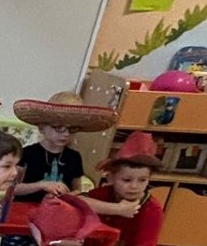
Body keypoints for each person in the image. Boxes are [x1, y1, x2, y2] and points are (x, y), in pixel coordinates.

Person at [62, 131, 166, 246]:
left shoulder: (152, 210)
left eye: (142, 180)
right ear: (111, 178)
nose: (134, 186)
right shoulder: (102, 194)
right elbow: (74, 201)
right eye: (126, 180)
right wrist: (117, 209)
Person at [8, 91, 134, 220]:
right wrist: (41, 185)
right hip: (24, 213)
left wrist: (67, 196)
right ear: (42, 128)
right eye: (58, 127)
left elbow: (77, 190)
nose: (66, 134)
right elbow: (12, 189)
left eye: (72, 129)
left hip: (58, 214)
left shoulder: (74, 157)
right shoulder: (26, 153)